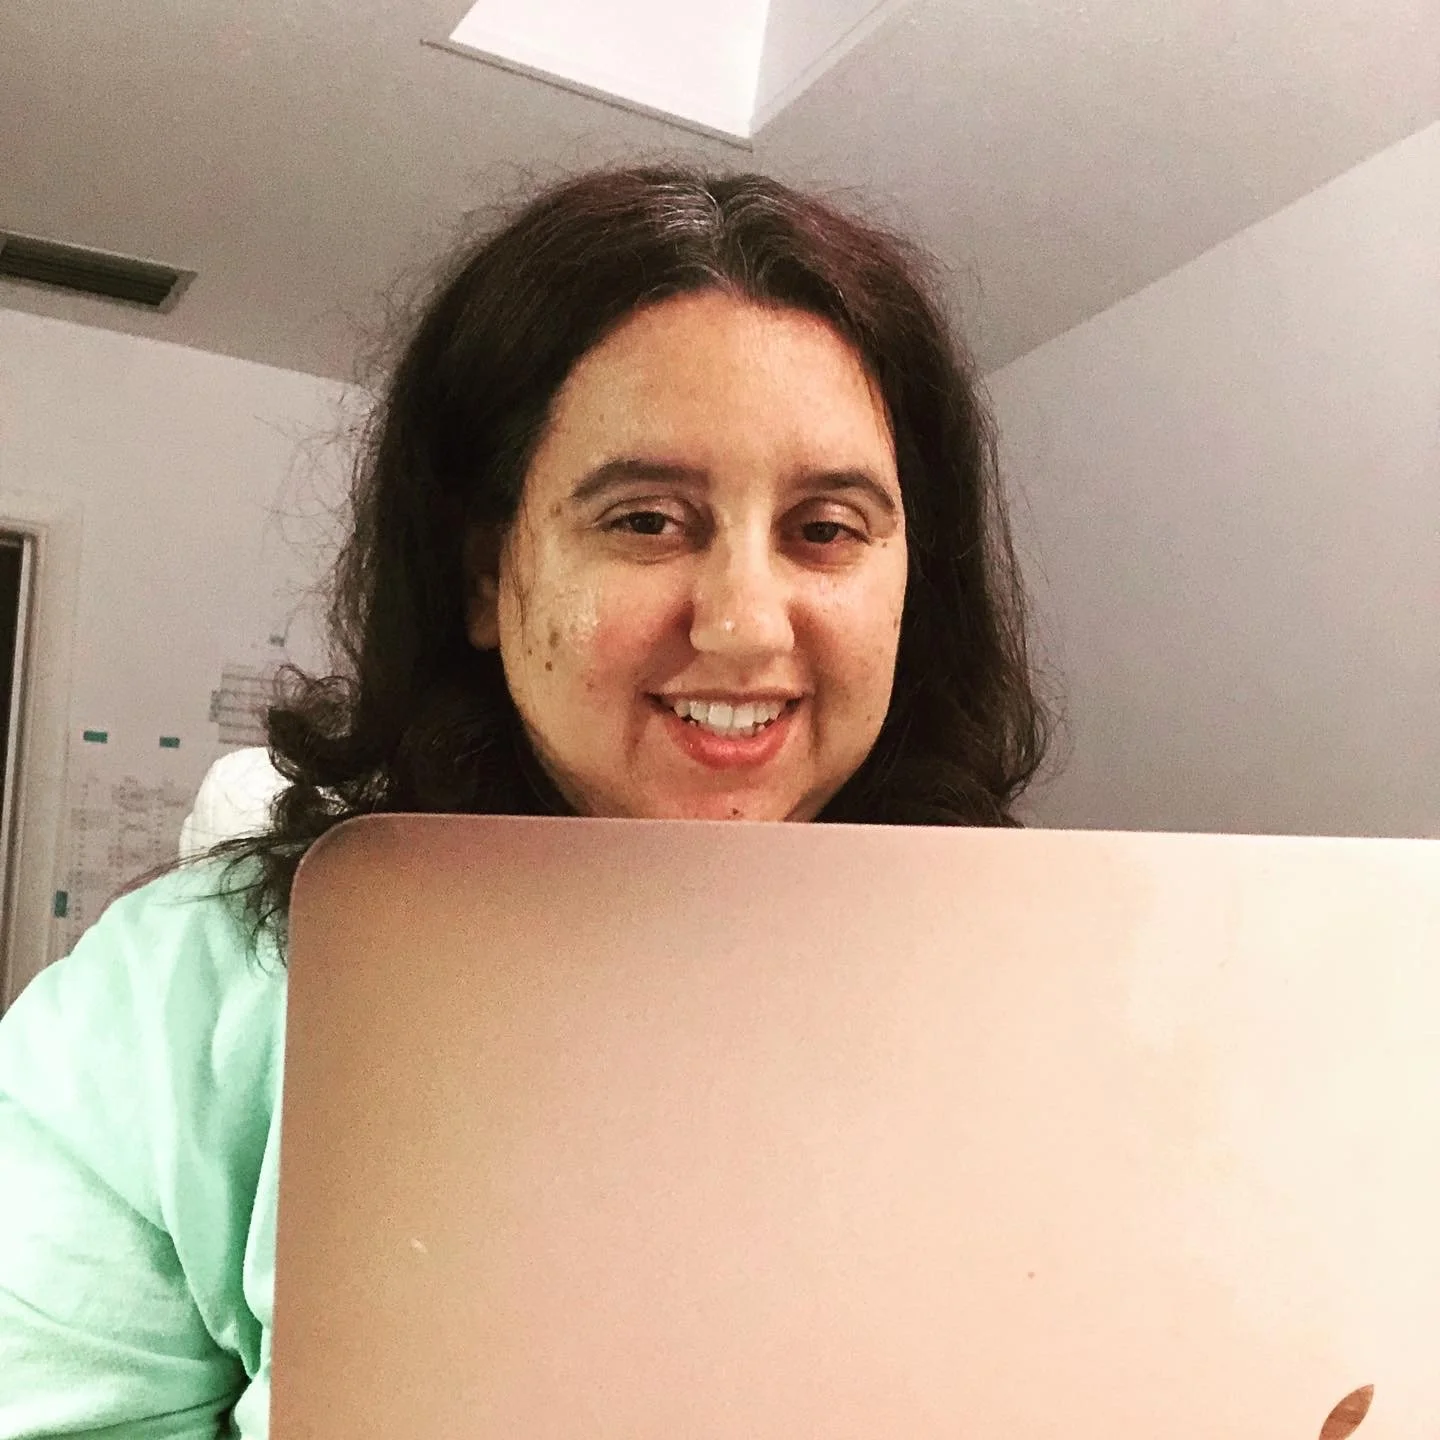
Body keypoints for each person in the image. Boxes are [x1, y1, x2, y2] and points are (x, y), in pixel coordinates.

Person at [0, 166, 1050, 1437]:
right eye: (650, 519)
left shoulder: (1050, 996)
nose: (740, 623)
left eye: (826, 529)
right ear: (490, 578)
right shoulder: (172, 1014)